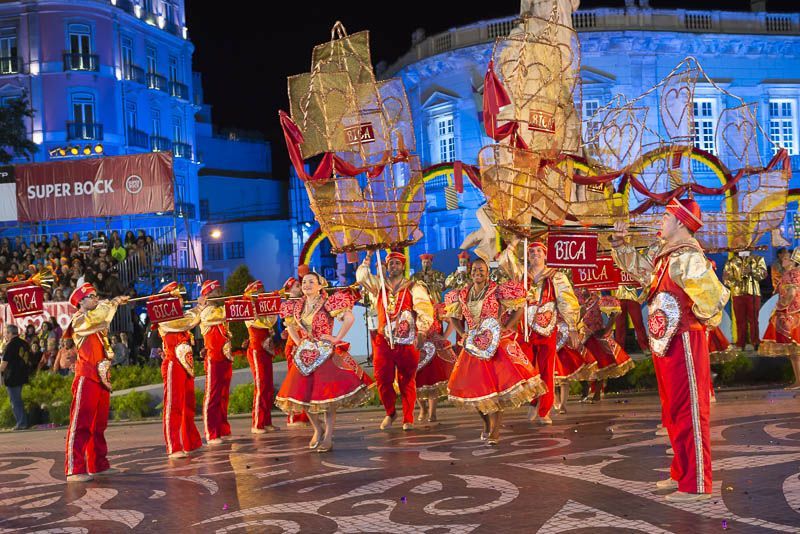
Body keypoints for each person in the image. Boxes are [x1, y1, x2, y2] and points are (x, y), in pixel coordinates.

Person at [610, 197, 729, 502]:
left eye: (665, 216)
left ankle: (696, 484)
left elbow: (714, 299)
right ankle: (681, 472)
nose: (661, 221)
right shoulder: (665, 255)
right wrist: (620, 243)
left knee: (690, 411)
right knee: (674, 411)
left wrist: (694, 321)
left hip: (685, 341)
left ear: (680, 222)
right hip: (667, 344)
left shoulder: (688, 257)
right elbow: (638, 271)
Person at [443, 258, 545, 445]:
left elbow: (520, 307)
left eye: (482, 270)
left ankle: (495, 431)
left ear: (487, 272)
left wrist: (506, 325)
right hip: (473, 345)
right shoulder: (462, 293)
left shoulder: (497, 289)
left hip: (496, 344)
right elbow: (453, 316)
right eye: (475, 270)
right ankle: (486, 425)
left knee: (495, 391)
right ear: (470, 272)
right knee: (473, 391)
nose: (478, 273)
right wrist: (462, 332)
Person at [275, 272, 374, 452]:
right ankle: (317, 428)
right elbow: (289, 325)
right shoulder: (296, 306)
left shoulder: (328, 302)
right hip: (305, 355)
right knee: (302, 395)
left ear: (321, 286)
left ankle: (328, 436)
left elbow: (350, 318)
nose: (306, 285)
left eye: (311, 282)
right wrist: (299, 342)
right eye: (304, 282)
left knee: (328, 398)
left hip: (325, 354)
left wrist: (337, 338)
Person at [499, 240, 583, 425]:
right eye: (531, 251)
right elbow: (505, 260)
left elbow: (567, 301)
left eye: (539, 250)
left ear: (545, 254)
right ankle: (532, 402)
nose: (535, 254)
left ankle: (545, 410)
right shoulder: (521, 274)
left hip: (546, 328)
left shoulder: (556, 276)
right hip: (525, 329)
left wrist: (572, 327)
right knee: (526, 368)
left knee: (546, 370)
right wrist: (516, 240)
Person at [357, 250, 435, 431]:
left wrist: (422, 331)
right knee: (382, 378)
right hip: (383, 341)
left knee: (407, 380)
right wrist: (368, 256)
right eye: (391, 263)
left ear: (403, 266)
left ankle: (408, 418)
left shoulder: (414, 286)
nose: (393, 266)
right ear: (386, 265)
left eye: (397, 263)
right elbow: (361, 277)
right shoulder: (379, 286)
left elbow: (424, 308)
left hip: (407, 341)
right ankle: (390, 412)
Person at [64, 283, 129, 482]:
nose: (96, 298)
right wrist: (114, 302)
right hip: (86, 376)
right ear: (81, 302)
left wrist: (113, 304)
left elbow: (102, 318)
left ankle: (97, 464)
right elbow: (100, 316)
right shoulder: (79, 320)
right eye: (91, 296)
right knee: (81, 423)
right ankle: (74, 468)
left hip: (101, 377)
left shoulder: (96, 322)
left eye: (95, 295)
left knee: (98, 425)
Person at [155, 281, 206, 458]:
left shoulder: (180, 315)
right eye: (176, 298)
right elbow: (185, 323)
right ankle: (174, 446)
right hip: (172, 364)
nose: (181, 301)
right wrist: (199, 308)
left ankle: (190, 442)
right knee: (173, 405)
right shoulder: (164, 317)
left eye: (180, 298)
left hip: (185, 364)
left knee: (188, 404)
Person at [198, 280, 233, 445]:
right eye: (217, 292)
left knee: (223, 395)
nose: (220, 294)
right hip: (213, 359)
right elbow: (223, 314)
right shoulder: (206, 312)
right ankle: (211, 433)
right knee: (212, 396)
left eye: (220, 290)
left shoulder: (220, 309)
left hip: (225, 357)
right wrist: (236, 305)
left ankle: (223, 429)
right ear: (208, 295)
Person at [760, 249, 800, 389]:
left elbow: (791, 292)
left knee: (795, 352)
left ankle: (798, 382)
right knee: (795, 352)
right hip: (795, 312)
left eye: (786, 258)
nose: (783, 260)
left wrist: (781, 305)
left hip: (791, 314)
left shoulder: (791, 274)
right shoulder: (796, 274)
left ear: (792, 262)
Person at [243, 280, 279, 434]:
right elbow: (264, 323)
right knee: (261, 385)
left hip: (265, 349)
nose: (263, 292)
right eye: (260, 290)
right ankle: (257, 423)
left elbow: (271, 321)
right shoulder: (247, 308)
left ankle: (266, 421)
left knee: (268, 386)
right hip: (256, 350)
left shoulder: (263, 307)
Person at [722, 251, 767, 350]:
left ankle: (755, 342)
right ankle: (740, 344)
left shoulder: (757, 259)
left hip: (753, 293)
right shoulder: (731, 262)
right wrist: (738, 281)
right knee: (740, 320)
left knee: (754, 319)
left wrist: (752, 271)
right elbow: (726, 279)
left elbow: (763, 274)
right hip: (738, 294)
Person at [1, 325, 31, 430]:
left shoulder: (10, 345)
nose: (5, 335)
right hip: (22, 375)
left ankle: (21, 423)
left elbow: (4, 363)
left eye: (6, 332)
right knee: (18, 400)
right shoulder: (24, 343)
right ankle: (23, 422)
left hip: (12, 376)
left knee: (15, 401)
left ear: (10, 333)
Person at [612, 284, 649, 354]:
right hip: (619, 297)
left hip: (633, 297)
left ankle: (645, 347)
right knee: (619, 325)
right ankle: (619, 351)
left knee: (638, 323)